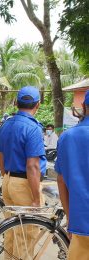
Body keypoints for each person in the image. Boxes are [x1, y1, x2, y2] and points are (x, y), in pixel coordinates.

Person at [0, 86, 46, 259]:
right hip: (24, 184)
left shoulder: (6, 125)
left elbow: (1, 157)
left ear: (16, 103)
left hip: (8, 181)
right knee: (26, 235)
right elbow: (32, 166)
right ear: (38, 105)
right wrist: (35, 199)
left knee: (11, 230)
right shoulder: (33, 128)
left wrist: (7, 178)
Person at [56, 90, 89, 260]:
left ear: (83, 106)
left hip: (81, 222)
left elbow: (61, 180)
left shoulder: (67, 137)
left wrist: (70, 217)